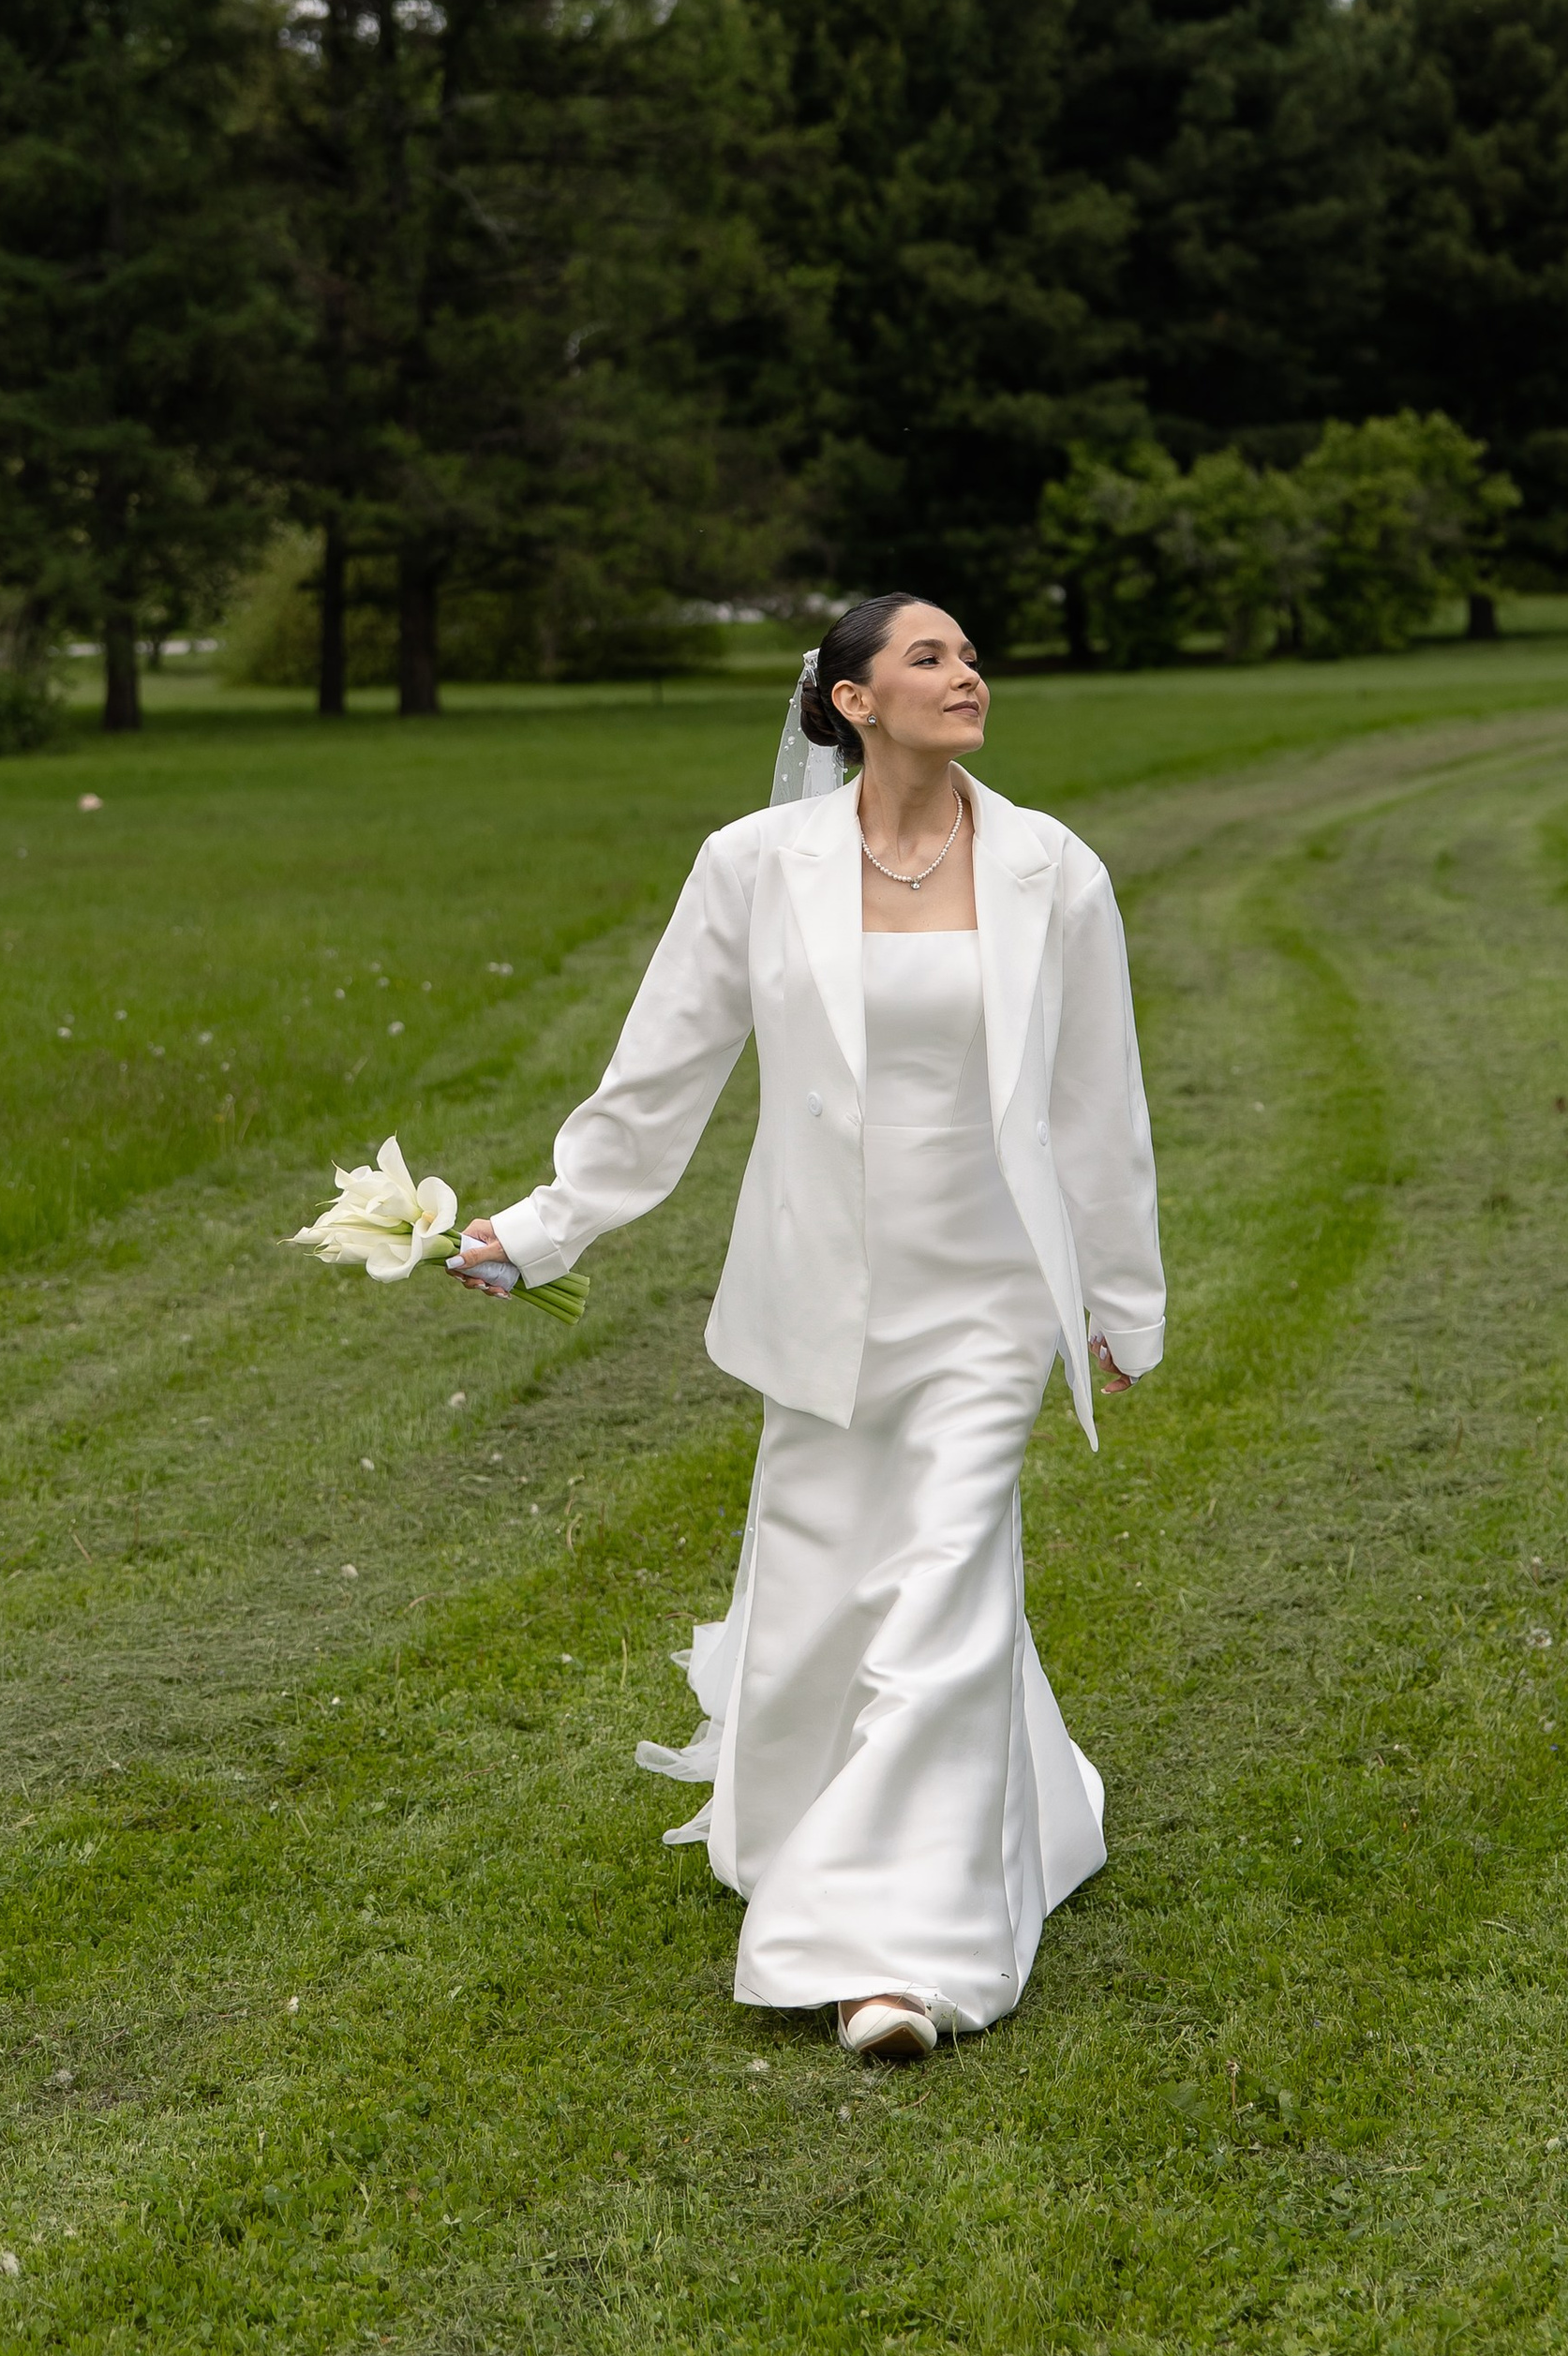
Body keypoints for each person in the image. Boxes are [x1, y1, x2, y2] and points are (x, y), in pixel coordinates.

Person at [451, 592, 1165, 2060]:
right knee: (836, 1583)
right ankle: (905, 1820)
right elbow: (662, 1073)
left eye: (971, 656)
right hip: (825, 1293)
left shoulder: (1050, 867)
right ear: (849, 700)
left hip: (986, 1296)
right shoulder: (752, 867)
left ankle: (896, 1953)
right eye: (930, 657)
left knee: (950, 1582)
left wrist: (1117, 1291)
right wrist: (539, 1228)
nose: (967, 675)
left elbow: (1100, 1102)